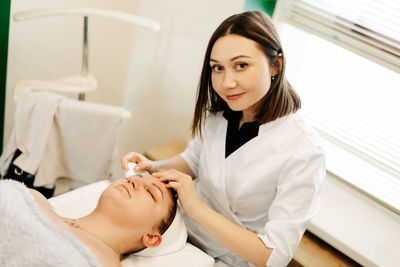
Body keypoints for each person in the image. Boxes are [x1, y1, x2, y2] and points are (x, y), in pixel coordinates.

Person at [121, 11, 325, 267]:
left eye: (241, 65)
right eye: (218, 68)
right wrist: (153, 167)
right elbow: (195, 159)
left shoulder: (305, 151)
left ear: (276, 65)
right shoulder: (221, 113)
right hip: (180, 231)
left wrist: (196, 208)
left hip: (230, 258)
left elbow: (274, 256)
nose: (227, 83)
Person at [0, 176, 177, 267]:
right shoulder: (33, 200)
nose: (134, 179)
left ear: (151, 238)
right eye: (138, 176)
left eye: (151, 193)